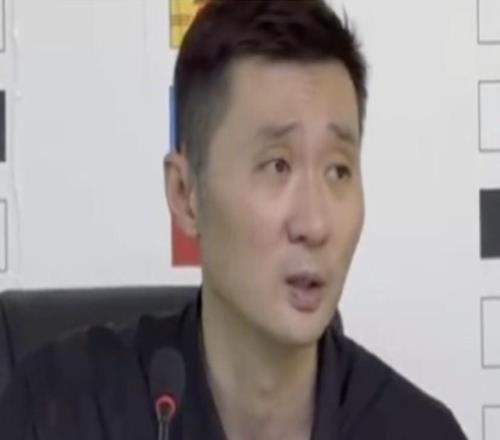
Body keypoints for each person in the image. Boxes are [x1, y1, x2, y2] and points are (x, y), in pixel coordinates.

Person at [0, 0, 467, 439]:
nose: (315, 224)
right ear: (185, 196)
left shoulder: (416, 430)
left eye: (338, 170)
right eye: (277, 165)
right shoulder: (59, 409)